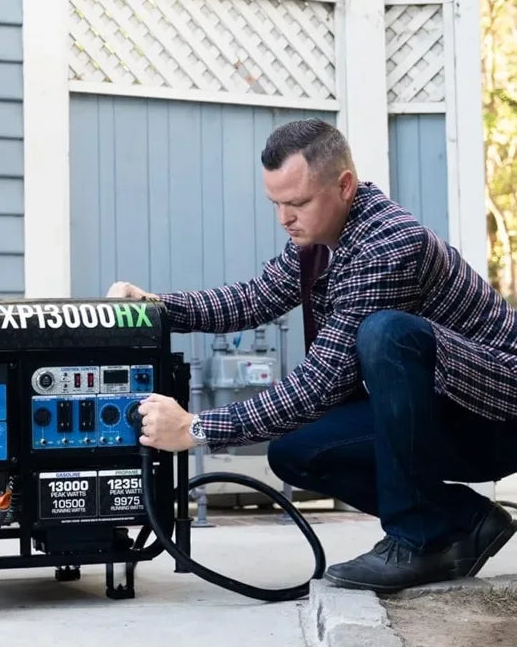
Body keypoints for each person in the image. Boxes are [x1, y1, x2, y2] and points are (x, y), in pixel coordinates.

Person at [108, 118, 517, 593]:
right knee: (296, 453)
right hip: (439, 411)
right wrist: (158, 309)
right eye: (276, 203)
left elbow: (318, 384)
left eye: (297, 202)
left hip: (495, 419)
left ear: (344, 186)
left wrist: (195, 429)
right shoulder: (322, 238)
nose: (284, 217)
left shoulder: (388, 247)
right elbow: (254, 298)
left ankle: (418, 540)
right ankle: (461, 522)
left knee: (385, 334)